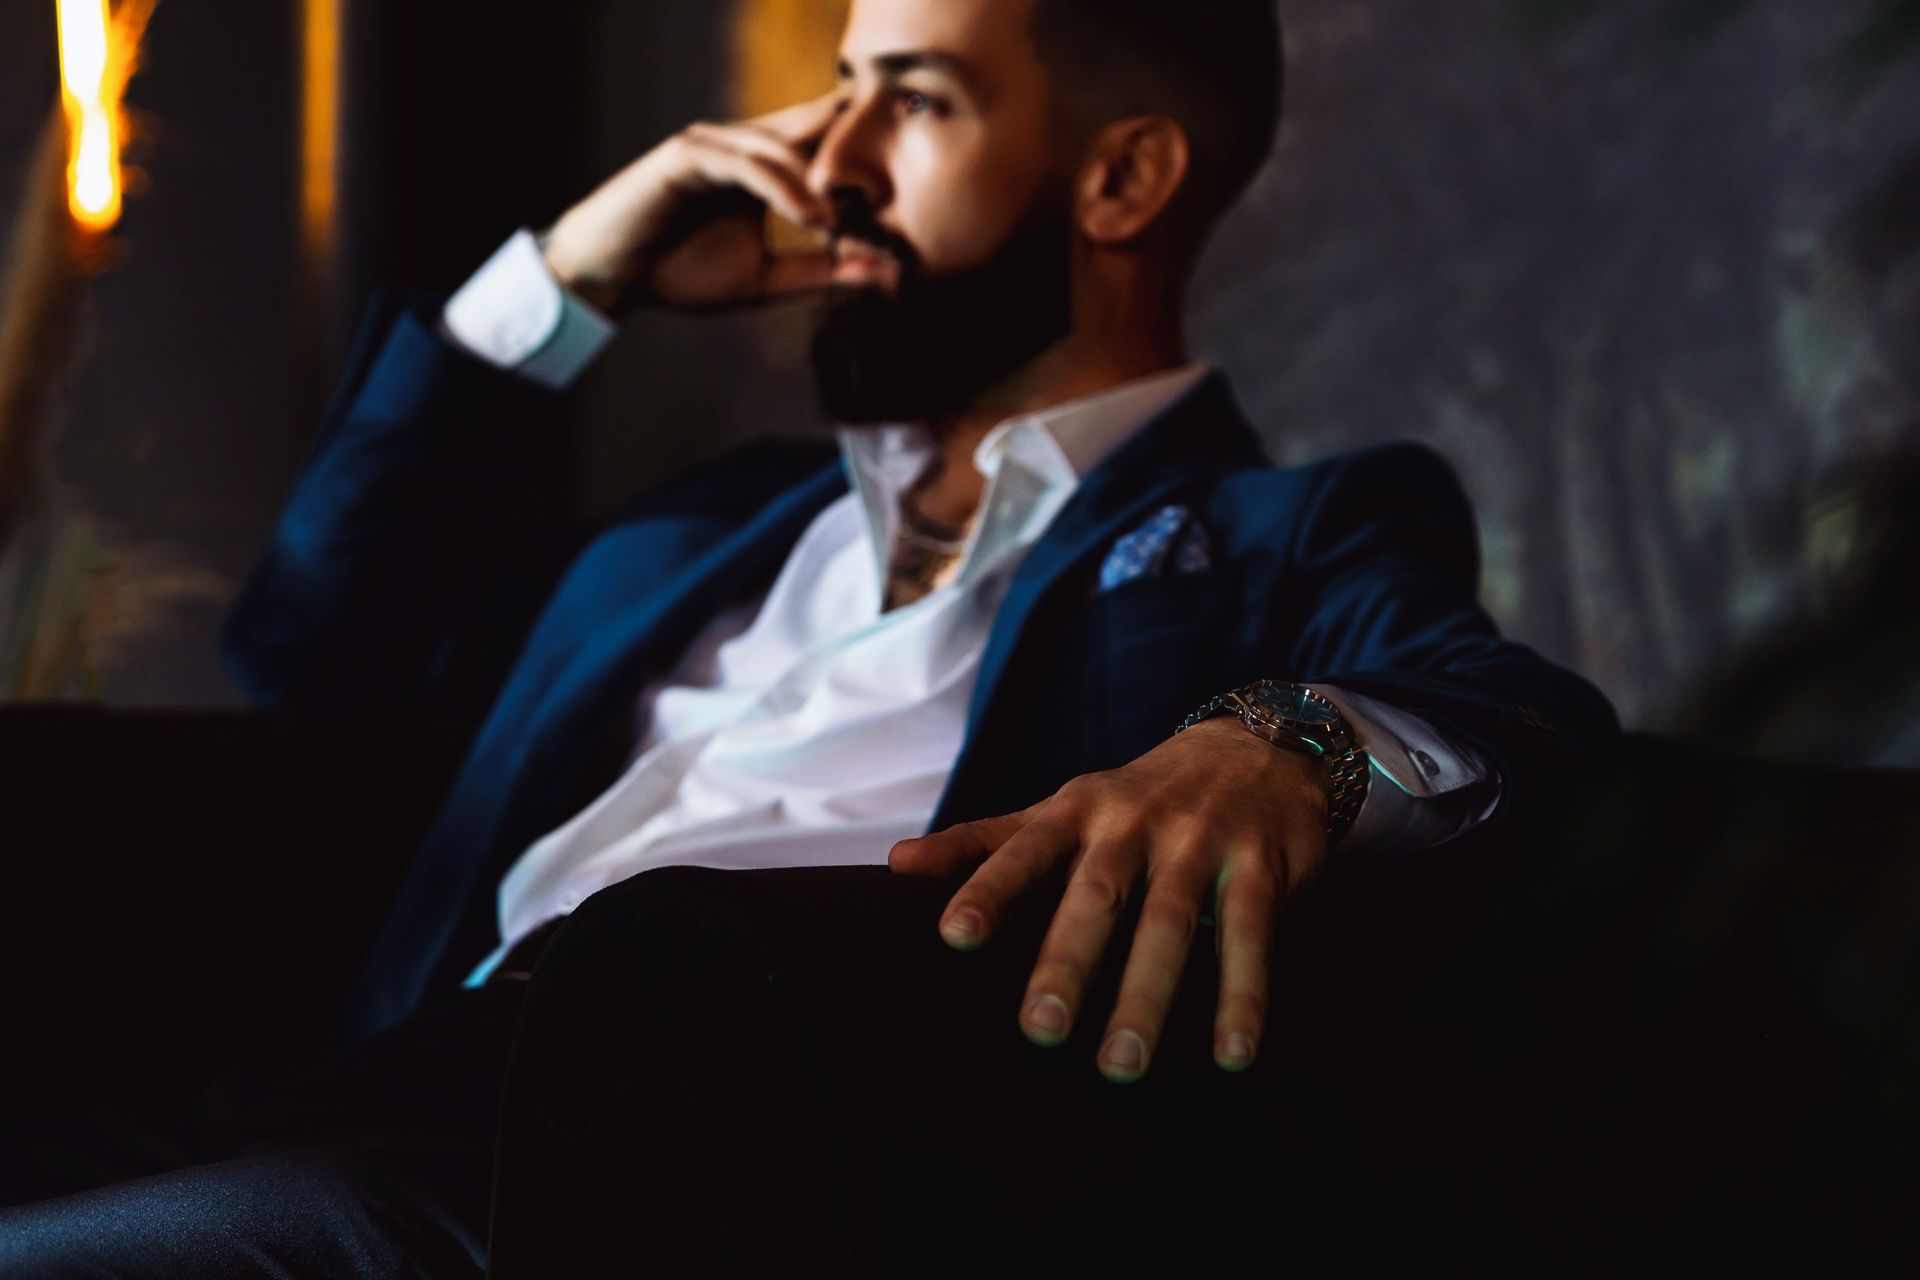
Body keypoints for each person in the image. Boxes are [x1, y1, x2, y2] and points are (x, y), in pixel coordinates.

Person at [0, 0, 1616, 1274]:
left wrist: (1284, 744)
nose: (830, 158)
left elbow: (1503, 710)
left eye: (911, 100)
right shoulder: (718, 522)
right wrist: (574, 277)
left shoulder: (1291, 531)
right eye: (839, 87)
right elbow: (314, 635)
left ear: (1121, 177)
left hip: (622, 1152)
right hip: (335, 1093)